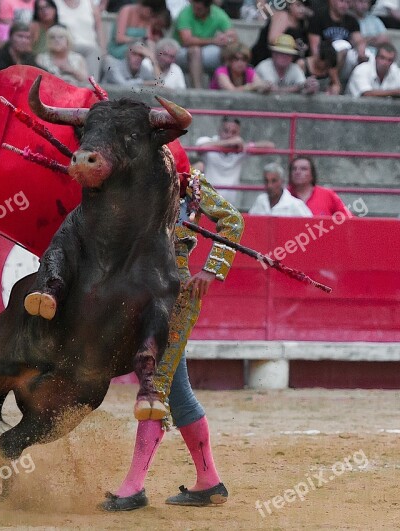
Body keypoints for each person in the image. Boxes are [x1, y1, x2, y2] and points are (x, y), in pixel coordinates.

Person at [102, 154, 243, 512]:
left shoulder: (188, 183)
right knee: (176, 391)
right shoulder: (131, 181)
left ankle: (133, 487)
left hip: (174, 295)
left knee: (156, 386)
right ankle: (209, 481)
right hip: (138, 292)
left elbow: (232, 220)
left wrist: (211, 270)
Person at [195, 116, 275, 206]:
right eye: (226, 131)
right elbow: (201, 148)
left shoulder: (240, 149)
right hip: (207, 204)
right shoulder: (208, 141)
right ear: (219, 131)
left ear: (238, 134)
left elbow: (270, 147)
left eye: (234, 133)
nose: (229, 135)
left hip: (230, 207)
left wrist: (247, 146)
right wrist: (229, 143)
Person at [174, 0, 237, 88]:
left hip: (206, 51)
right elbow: (187, 40)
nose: (195, 10)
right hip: (181, 52)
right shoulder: (185, 13)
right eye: (194, 6)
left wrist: (226, 39)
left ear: (208, 8)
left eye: (199, 9)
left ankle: (221, 87)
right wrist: (213, 41)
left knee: (227, 50)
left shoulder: (217, 13)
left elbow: (233, 37)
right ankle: (197, 89)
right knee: (195, 50)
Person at [308, 0, 368, 91]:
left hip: (344, 63)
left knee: (368, 54)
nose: (345, 5)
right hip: (324, 61)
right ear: (332, 1)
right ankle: (332, 81)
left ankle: (363, 87)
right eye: (342, 1)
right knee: (342, 45)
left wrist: (361, 52)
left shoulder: (351, 20)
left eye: (348, 2)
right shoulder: (319, 17)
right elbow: (315, 48)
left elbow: (359, 40)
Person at [51, 0, 105, 79]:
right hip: (67, 45)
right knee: (93, 51)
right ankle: (92, 85)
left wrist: (103, 49)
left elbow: (99, 28)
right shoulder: (55, 3)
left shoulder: (89, 3)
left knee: (95, 51)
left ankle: (91, 85)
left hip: (90, 46)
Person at [250, 0, 312, 67]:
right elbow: (272, 39)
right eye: (298, 5)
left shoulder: (304, 23)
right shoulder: (282, 16)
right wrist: (295, 45)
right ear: (290, 5)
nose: (302, 9)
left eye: (305, 6)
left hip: (287, 64)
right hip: (266, 59)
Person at [249, 162, 313, 216]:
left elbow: (309, 226)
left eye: (274, 181)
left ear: (282, 181)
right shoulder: (260, 200)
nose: (269, 185)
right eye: (266, 181)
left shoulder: (296, 205)